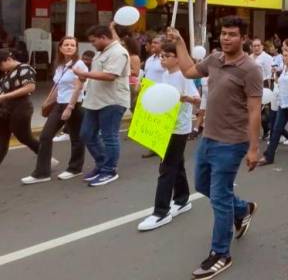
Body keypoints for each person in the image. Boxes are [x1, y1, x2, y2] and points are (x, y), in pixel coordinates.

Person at [167, 17, 262, 279]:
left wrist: (254, 148)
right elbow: (188, 70)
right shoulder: (215, 59)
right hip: (208, 136)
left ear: (243, 38)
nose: (226, 38)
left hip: (232, 142)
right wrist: (181, 43)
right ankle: (243, 209)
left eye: (232, 34)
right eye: (223, 33)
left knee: (219, 198)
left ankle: (221, 253)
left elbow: (254, 110)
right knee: (202, 186)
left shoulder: (251, 69)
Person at [137, 42, 201, 232]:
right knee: (176, 164)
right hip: (166, 125)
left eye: (167, 56)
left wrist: (183, 97)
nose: (162, 59)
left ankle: (161, 212)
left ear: (177, 57)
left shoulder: (184, 75)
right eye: (161, 56)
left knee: (166, 168)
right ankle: (182, 200)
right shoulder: (165, 75)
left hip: (179, 127)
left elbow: (197, 99)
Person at [22, 36, 86, 184]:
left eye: (73, 45)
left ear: (76, 49)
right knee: (45, 136)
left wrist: (69, 107)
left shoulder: (79, 65)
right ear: (61, 48)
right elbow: (57, 86)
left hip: (74, 104)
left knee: (76, 138)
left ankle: (75, 168)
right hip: (59, 103)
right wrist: (47, 102)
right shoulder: (60, 65)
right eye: (66, 45)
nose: (69, 47)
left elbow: (78, 87)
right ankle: (42, 172)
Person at [74, 25, 130, 187]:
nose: (92, 45)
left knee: (109, 137)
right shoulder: (102, 51)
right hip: (95, 100)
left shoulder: (118, 52)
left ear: (104, 37)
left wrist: (85, 74)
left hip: (112, 101)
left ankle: (109, 170)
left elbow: (110, 75)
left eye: (94, 41)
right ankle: (102, 163)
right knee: (86, 134)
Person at [259, 44, 288, 165]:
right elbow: (280, 83)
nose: (284, 58)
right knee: (276, 130)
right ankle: (269, 156)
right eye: (284, 56)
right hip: (283, 103)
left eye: (286, 56)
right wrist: (276, 75)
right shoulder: (284, 69)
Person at [0, 49, 39, 166]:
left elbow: (30, 87)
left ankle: (45, 156)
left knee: (24, 137)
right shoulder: (6, 75)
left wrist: (4, 97)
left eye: (0, 65)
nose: (0, 68)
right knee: (2, 139)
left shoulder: (24, 69)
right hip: (5, 110)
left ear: (8, 59)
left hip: (21, 108)